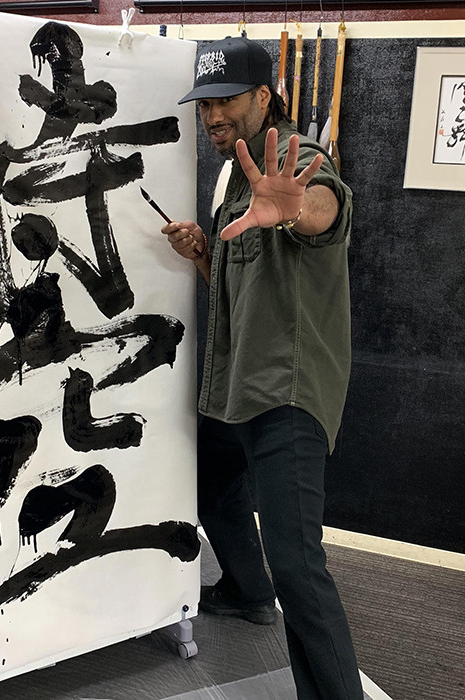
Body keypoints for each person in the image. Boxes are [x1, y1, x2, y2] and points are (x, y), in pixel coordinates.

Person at [161, 36, 364, 700]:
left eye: (226, 102)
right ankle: (249, 590)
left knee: (299, 567)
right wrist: (202, 254)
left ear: (262, 96)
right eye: (204, 106)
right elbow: (238, 290)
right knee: (210, 485)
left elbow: (324, 210)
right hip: (236, 387)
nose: (213, 117)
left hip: (285, 393)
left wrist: (295, 208)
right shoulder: (234, 184)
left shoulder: (298, 161)